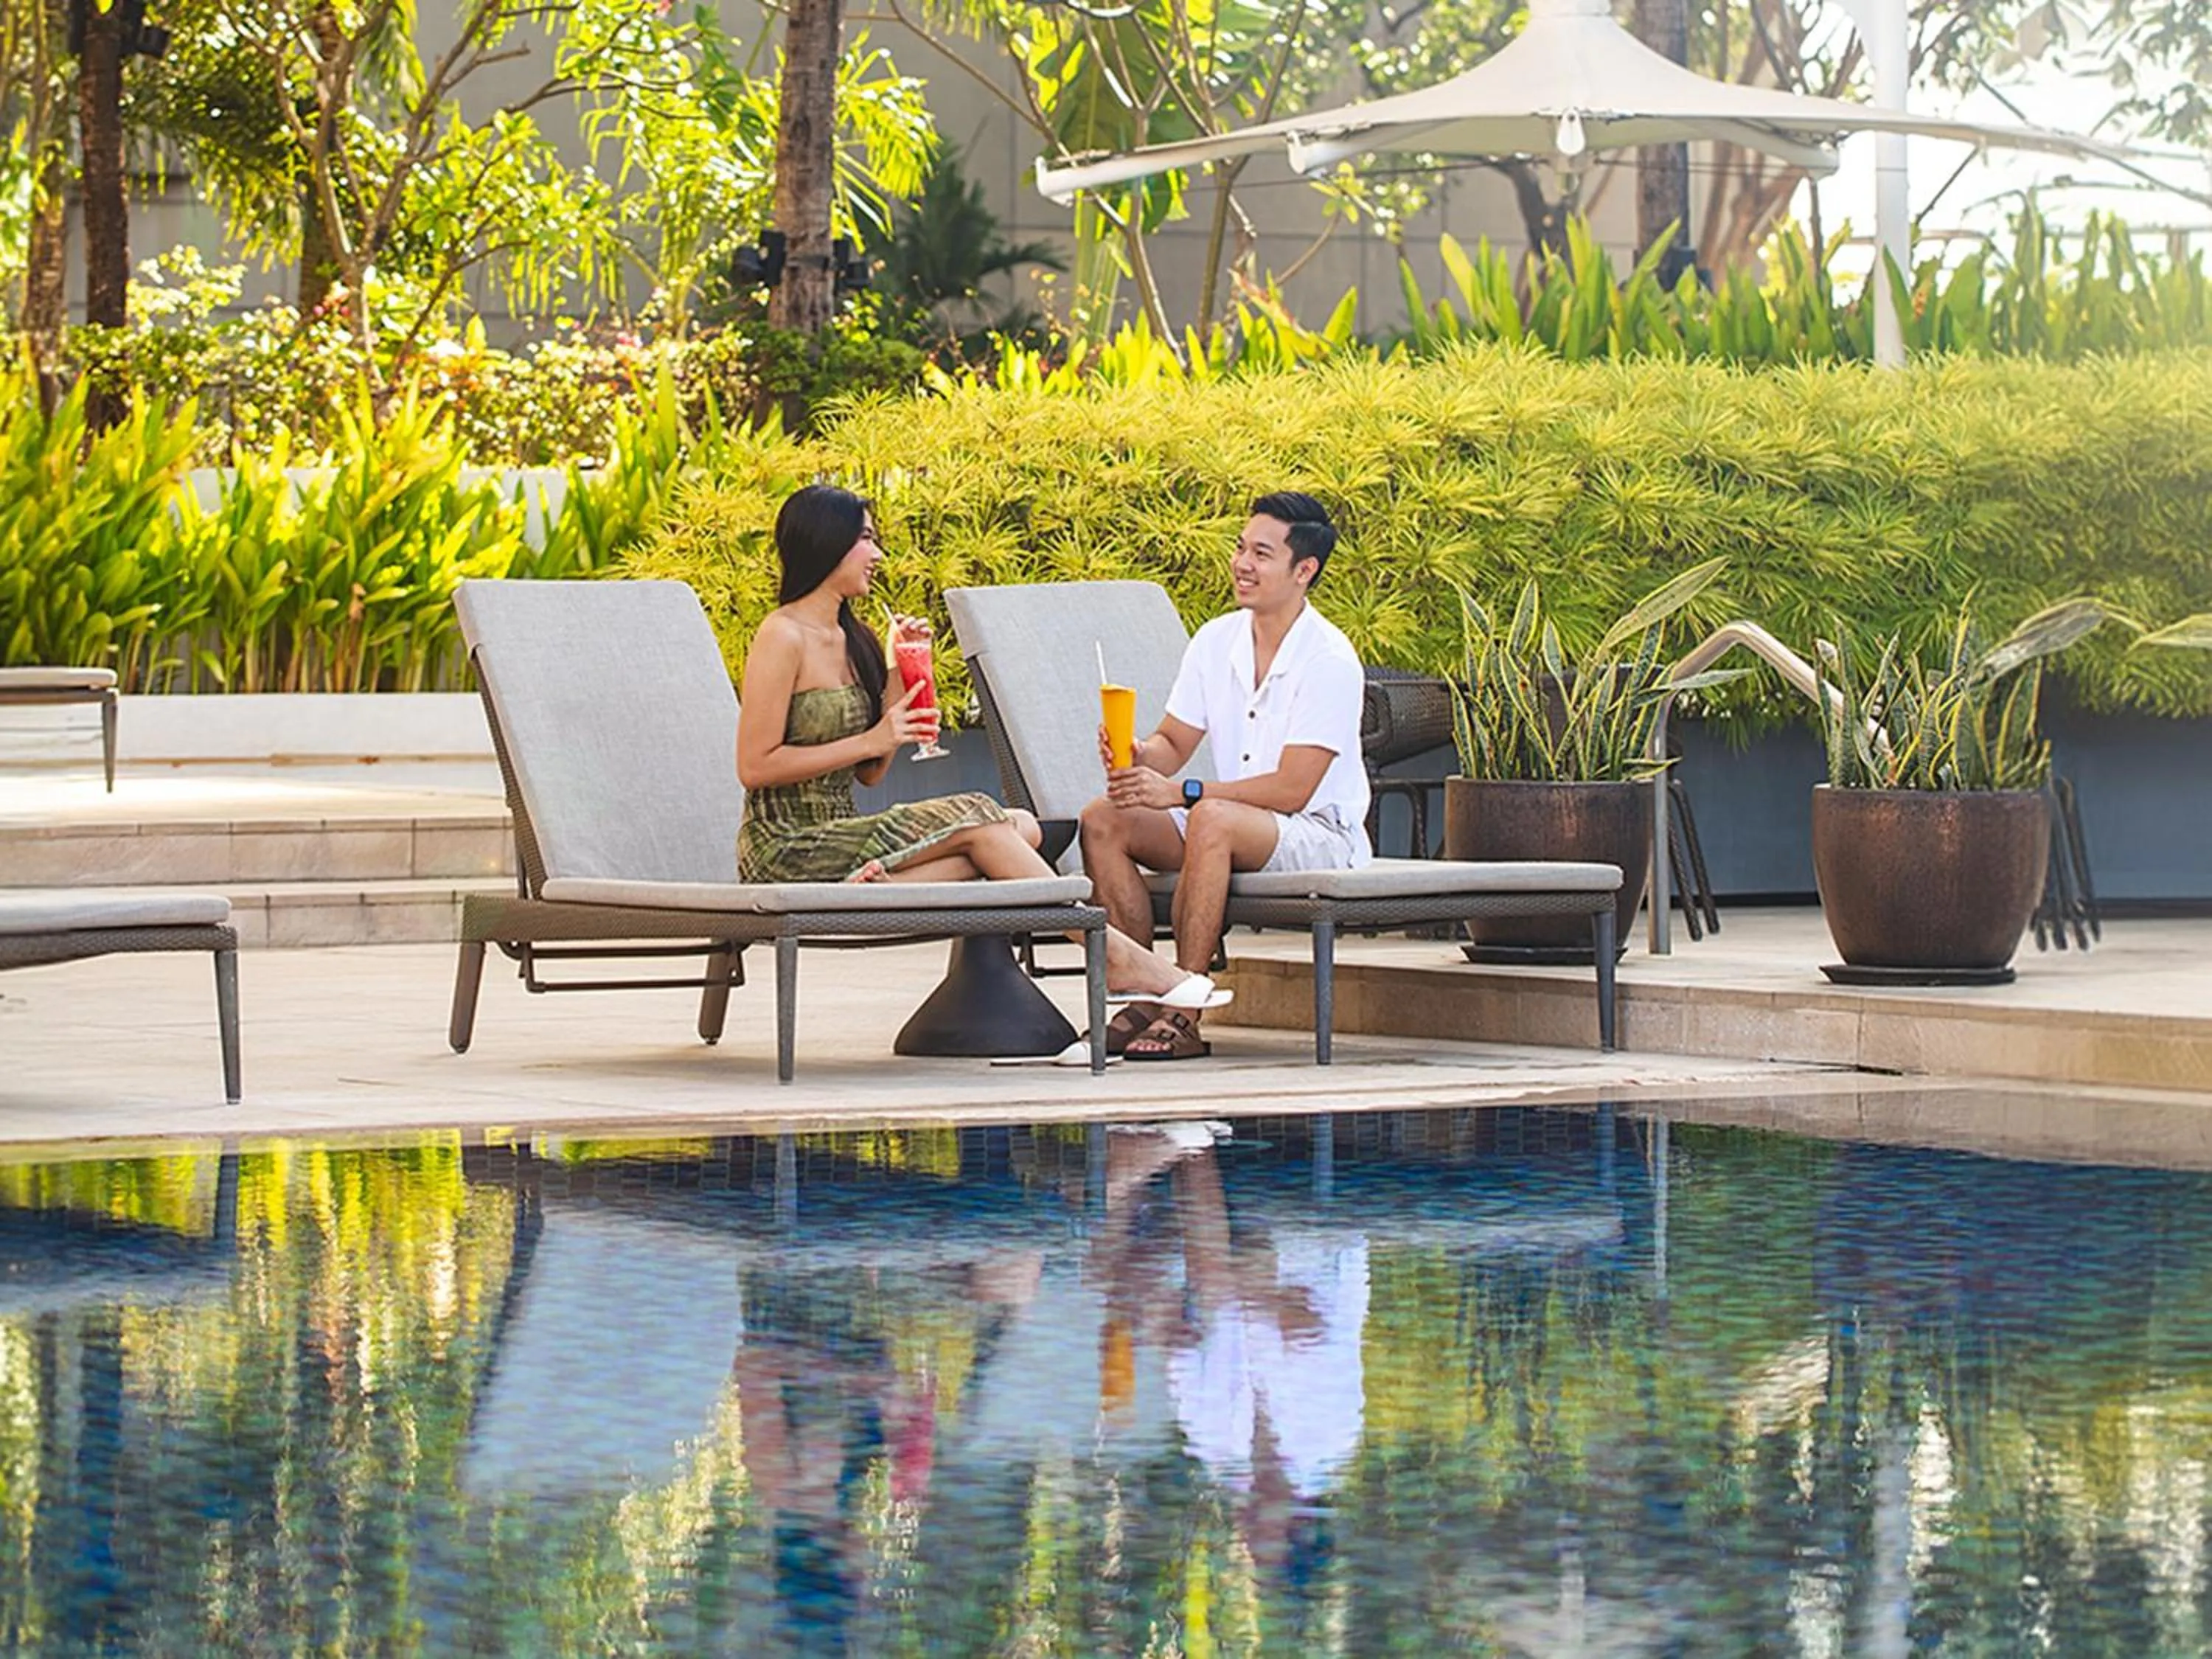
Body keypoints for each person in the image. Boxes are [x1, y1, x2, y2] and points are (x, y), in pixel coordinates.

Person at [738, 484, 1213, 1011]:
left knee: (1019, 828)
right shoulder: (781, 636)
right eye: (866, 539)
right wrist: (870, 738)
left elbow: (871, 773)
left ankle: (889, 885)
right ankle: (1114, 954)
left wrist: (898, 680)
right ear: (826, 542)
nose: (877, 555)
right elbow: (755, 766)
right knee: (985, 825)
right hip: (786, 845)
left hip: (844, 835)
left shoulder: (857, 640)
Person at [1079, 492, 1371, 1062]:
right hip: (1232, 822)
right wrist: (1138, 754)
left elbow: (1292, 790)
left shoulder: (1328, 659)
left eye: (1261, 554)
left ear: (1304, 570)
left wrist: (1185, 792)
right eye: (1241, 548)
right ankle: (1144, 991)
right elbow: (1173, 745)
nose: (1241, 564)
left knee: (1210, 817)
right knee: (1103, 818)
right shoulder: (1216, 640)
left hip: (1314, 833)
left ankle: (1185, 1009)